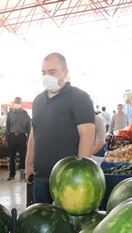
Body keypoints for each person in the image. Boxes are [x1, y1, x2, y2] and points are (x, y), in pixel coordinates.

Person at [25, 52, 95, 204]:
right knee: (41, 222)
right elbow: (34, 133)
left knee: (66, 225)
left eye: (52, 72)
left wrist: (80, 174)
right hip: (40, 177)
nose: (47, 76)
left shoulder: (79, 97)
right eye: (43, 73)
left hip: (67, 180)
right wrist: (28, 162)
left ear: (65, 72)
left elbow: (87, 135)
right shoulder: (38, 100)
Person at [3, 97, 31, 181]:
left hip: (22, 136)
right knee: (12, 157)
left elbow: (28, 127)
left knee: (23, 156)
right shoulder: (10, 113)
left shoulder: (25, 114)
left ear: (21, 103)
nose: (17, 103)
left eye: (19, 102)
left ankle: (23, 175)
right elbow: (7, 126)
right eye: (16, 102)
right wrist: (5, 136)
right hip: (12, 136)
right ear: (14, 103)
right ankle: (11, 175)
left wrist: (29, 138)